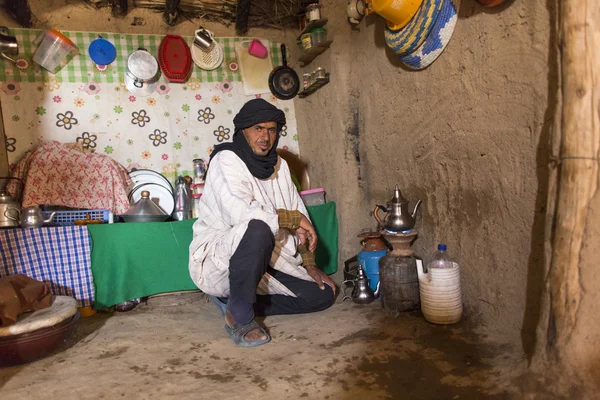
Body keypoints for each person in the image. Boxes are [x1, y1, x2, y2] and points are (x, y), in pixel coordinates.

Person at [189, 98, 336, 347]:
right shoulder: (226, 160)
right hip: (222, 258)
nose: (265, 137)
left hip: (269, 259)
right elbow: (241, 214)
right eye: (258, 128)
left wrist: (310, 264)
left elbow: (300, 214)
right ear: (243, 131)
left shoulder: (280, 165)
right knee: (258, 228)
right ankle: (240, 317)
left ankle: (232, 301)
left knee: (322, 295)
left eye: (271, 129)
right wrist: (289, 218)